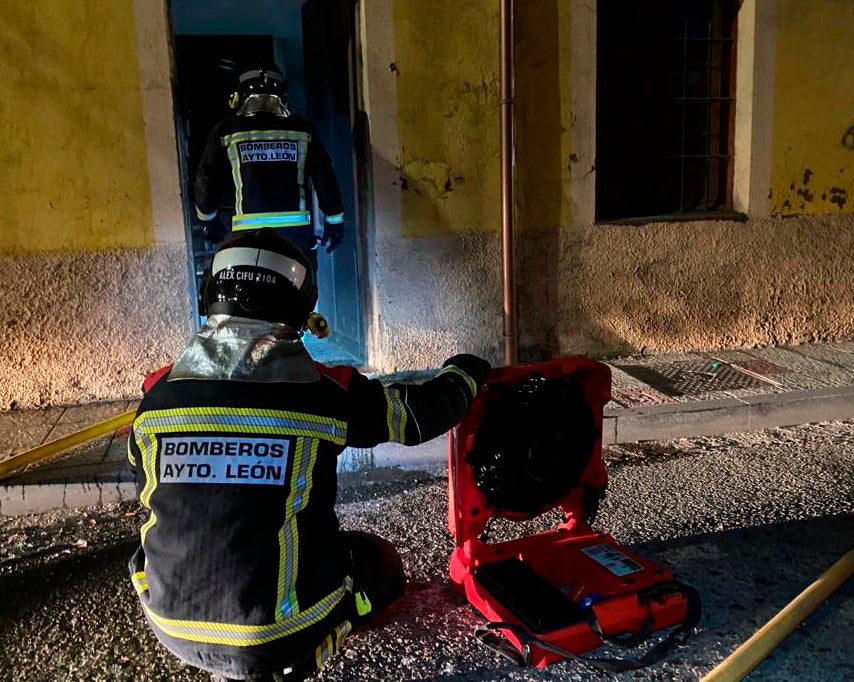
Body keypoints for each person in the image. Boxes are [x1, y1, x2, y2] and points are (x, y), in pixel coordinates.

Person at [126, 230, 491, 682]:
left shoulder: (156, 396)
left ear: (209, 295)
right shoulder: (322, 394)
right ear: (302, 307)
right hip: (276, 634)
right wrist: (467, 372)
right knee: (379, 563)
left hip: (169, 625)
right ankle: (308, 648)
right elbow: (416, 417)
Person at [193, 60, 345, 274]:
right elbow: (324, 177)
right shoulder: (301, 130)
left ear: (239, 96)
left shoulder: (226, 132)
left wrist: (208, 221)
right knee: (299, 295)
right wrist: (334, 221)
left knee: (248, 297)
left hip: (247, 238)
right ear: (282, 94)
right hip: (296, 238)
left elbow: (206, 180)